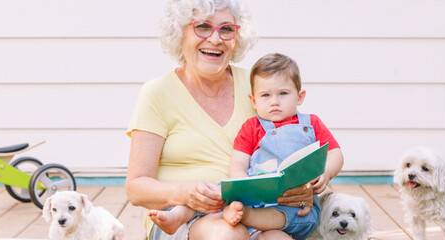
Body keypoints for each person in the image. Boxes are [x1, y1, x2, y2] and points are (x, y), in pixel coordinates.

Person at [126, 0, 331, 239]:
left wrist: (304, 187)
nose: (215, 39)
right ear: (179, 32)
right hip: (182, 215)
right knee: (227, 234)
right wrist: (186, 192)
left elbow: (298, 140)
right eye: (202, 27)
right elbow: (136, 188)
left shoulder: (259, 86)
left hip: (257, 211)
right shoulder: (157, 93)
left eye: (226, 29)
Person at [146, 53, 344, 240]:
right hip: (256, 193)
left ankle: (244, 214)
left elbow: (335, 153)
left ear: (299, 97)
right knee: (214, 191)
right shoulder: (252, 127)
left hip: (295, 207)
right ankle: (179, 215)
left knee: (279, 218)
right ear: (253, 101)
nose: (274, 102)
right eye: (265, 95)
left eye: (283, 93)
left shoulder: (311, 123)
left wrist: (325, 173)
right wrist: (241, 183)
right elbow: (238, 162)